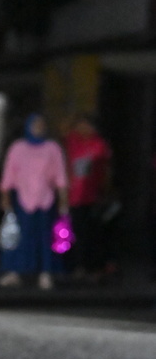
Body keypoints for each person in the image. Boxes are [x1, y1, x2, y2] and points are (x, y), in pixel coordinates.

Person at [0, 113, 68, 289]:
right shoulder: (18, 148)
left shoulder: (52, 148)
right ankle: (15, 271)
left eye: (41, 125)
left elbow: (60, 175)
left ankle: (46, 272)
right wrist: (5, 196)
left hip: (46, 199)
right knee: (19, 237)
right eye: (35, 125)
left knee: (46, 237)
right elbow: (9, 174)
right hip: (22, 198)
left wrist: (63, 199)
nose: (38, 128)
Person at [63, 113, 114, 282]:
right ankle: (77, 266)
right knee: (75, 232)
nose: (83, 128)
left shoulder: (99, 145)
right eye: (80, 125)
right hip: (74, 196)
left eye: (86, 125)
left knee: (93, 233)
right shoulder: (72, 142)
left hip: (93, 196)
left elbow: (105, 171)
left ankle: (95, 267)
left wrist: (105, 192)